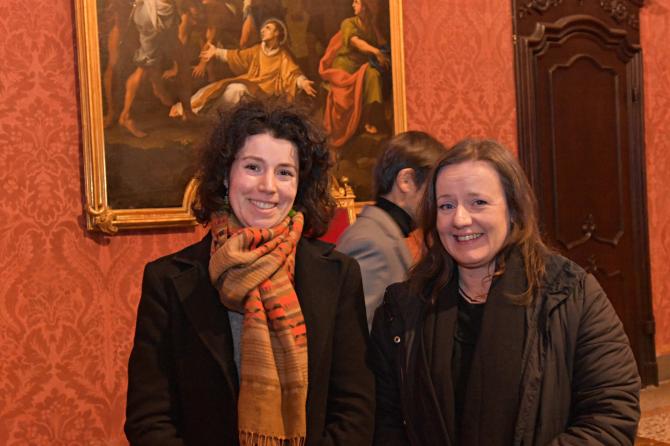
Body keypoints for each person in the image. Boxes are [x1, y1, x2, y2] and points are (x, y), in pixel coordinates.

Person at [125, 99, 375, 445]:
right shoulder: (168, 280)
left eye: (284, 172)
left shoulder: (339, 275)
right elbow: (149, 419)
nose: (268, 186)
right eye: (253, 167)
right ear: (225, 176)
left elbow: (355, 410)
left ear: (299, 185)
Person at [369, 139, 641, 445]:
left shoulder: (570, 293)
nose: (460, 219)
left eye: (478, 202)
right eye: (446, 205)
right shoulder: (401, 308)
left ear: (512, 210)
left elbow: (611, 416)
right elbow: (386, 422)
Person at [336, 131, 444, 330]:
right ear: (406, 181)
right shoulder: (370, 243)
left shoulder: (382, 234)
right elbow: (358, 334)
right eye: (433, 189)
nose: (437, 201)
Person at [170, 18, 316, 118]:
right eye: (263, 27)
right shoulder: (257, 50)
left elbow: (292, 73)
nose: (263, 30)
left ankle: (210, 117)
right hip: (251, 84)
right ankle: (186, 109)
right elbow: (238, 56)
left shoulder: (283, 55)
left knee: (236, 90)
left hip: (264, 94)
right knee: (217, 87)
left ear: (277, 33)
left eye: (268, 28)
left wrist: (303, 82)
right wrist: (216, 52)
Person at [118, 0, 196, 138]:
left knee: (182, 59)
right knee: (144, 67)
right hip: (151, 16)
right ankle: (125, 116)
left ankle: (187, 112)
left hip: (164, 10)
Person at [319, 0, 389, 147]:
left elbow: (383, 43)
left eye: (357, 2)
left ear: (366, 5)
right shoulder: (348, 23)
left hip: (362, 65)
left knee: (374, 75)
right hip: (344, 67)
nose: (353, 5)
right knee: (344, 98)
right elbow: (356, 42)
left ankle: (367, 120)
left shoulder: (371, 26)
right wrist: (376, 51)